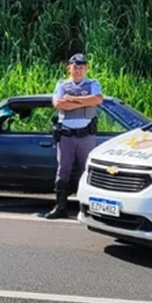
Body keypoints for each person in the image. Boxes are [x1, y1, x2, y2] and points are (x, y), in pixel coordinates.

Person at [44, 53, 103, 219]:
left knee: (86, 171)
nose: (78, 71)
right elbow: (59, 103)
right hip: (66, 135)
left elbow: (97, 100)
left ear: (86, 69)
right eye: (75, 67)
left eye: (81, 67)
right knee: (63, 171)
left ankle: (88, 209)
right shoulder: (62, 84)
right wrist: (84, 100)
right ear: (69, 68)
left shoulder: (93, 84)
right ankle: (60, 207)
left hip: (86, 136)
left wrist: (73, 99)